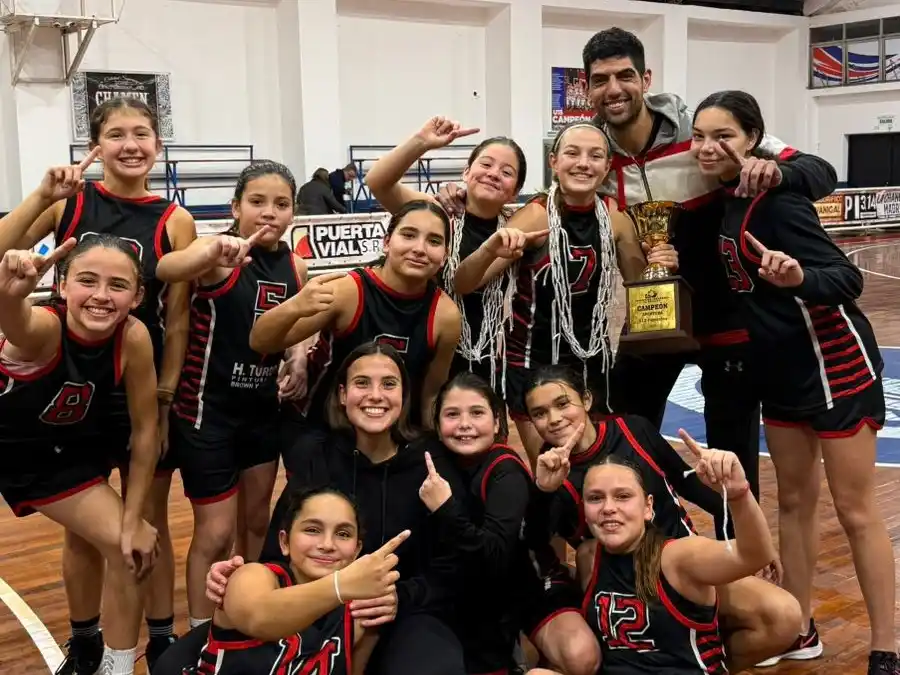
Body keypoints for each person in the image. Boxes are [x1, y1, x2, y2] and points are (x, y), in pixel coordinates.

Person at [439, 27, 837, 500]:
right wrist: (469, 193)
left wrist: (779, 170)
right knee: (622, 438)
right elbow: (550, 206)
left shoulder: (704, 130)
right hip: (652, 319)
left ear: (645, 78)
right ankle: (645, 540)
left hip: (727, 320)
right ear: (586, 89)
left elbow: (821, 173)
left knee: (732, 456)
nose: (614, 89)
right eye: (601, 79)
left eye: (625, 75)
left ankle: (737, 549)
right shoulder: (593, 153)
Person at [692, 89, 898, 675]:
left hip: (834, 365)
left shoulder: (777, 199)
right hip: (778, 371)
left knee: (855, 511)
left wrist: (801, 274)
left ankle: (886, 646)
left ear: (753, 139)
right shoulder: (731, 196)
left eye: (724, 135)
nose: (709, 147)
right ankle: (800, 626)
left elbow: (845, 278)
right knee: (796, 505)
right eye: (701, 136)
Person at [0, 95, 196, 672]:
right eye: (116, 134)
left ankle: (156, 635)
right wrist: (41, 196)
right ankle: (85, 639)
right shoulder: (70, 202)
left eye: (143, 134)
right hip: (67, 379)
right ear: (96, 146)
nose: (131, 145)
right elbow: (5, 274)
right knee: (85, 532)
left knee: (142, 521)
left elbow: (178, 315)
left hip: (132, 379)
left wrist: (163, 398)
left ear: (158, 146)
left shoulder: (173, 218)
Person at [162, 342, 469, 675]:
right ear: (341, 394)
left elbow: (458, 564)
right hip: (318, 602)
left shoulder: (430, 463)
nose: (375, 395)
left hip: (405, 609)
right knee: (171, 663)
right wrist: (236, 580)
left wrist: (402, 596)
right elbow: (279, 550)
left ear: (404, 396)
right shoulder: (316, 455)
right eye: (362, 383)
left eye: (389, 384)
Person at [519, 365, 797, 673]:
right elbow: (536, 539)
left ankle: (705, 663)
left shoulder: (633, 430)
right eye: (540, 413)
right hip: (616, 580)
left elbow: (686, 482)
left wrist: (739, 523)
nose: (554, 419)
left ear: (586, 400)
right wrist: (543, 491)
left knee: (781, 616)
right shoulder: (551, 474)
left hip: (681, 565)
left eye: (562, 404)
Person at [453, 121, 677, 465]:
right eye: (572, 153)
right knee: (554, 472)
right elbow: (466, 283)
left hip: (590, 367)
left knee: (595, 470)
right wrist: (489, 249)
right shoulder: (534, 215)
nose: (583, 163)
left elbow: (641, 294)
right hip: (530, 366)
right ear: (554, 162)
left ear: (606, 167)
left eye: (595, 155)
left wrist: (659, 266)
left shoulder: (615, 217)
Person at [0, 235, 160, 675]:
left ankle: (112, 663)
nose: (102, 296)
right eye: (87, 280)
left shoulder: (134, 337)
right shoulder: (47, 327)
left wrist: (132, 517)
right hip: (13, 449)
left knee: (131, 547)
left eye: (118, 285)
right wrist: (10, 295)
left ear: (138, 294)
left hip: (62, 452)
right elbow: (17, 323)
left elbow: (147, 431)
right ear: (62, 285)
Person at [158, 161, 305, 630]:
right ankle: (201, 634)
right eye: (257, 202)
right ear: (235, 207)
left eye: (281, 204)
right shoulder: (215, 253)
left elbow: (297, 319)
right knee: (216, 532)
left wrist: (298, 357)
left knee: (256, 523)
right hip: (207, 412)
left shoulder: (294, 262)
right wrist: (210, 252)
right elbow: (167, 266)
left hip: (261, 410)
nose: (269, 213)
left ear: (293, 212)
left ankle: (239, 613)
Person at [527, 432, 775, 675]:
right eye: (595, 498)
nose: (609, 508)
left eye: (623, 496)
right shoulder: (588, 556)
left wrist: (738, 493)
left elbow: (752, 555)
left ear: (648, 507)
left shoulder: (677, 556)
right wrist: (542, 490)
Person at [249, 199, 462, 430]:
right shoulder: (348, 290)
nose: (420, 248)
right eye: (409, 235)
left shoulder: (445, 315)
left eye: (434, 241)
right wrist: (295, 306)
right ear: (387, 242)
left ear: (444, 256)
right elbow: (261, 342)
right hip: (319, 427)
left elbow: (430, 396)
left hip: (387, 434)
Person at [365, 117, 527, 385]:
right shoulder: (438, 213)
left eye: (507, 172)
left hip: (491, 357)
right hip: (426, 344)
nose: (494, 173)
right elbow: (377, 183)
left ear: (515, 191)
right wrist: (422, 142)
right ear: (466, 172)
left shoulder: (516, 227)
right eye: (485, 164)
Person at [182, 486, 408, 675]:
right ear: (284, 542)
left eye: (343, 534)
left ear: (357, 549)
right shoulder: (252, 575)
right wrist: (341, 585)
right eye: (312, 530)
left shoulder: (362, 610)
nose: (327, 544)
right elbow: (259, 617)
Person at [418, 372, 536, 674]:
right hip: (451, 596)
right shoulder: (436, 459)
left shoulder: (505, 471)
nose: (465, 424)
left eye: (477, 413)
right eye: (452, 414)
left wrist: (444, 508)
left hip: (497, 603)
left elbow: (495, 558)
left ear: (497, 423)